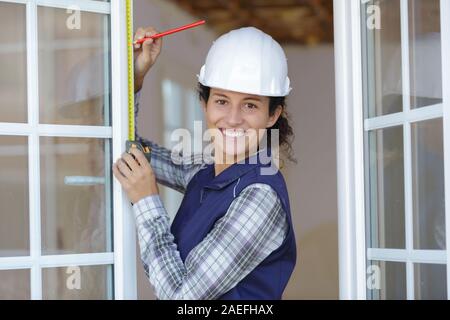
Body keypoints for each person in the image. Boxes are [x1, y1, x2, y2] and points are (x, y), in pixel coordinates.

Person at [112, 26, 297, 300]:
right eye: (222, 101)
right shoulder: (205, 171)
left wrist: (146, 201)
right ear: (204, 103)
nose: (233, 119)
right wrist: (136, 77)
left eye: (250, 105)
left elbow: (181, 298)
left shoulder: (260, 197)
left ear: (272, 115)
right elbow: (133, 152)